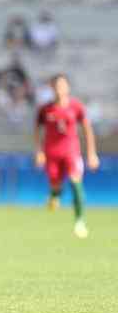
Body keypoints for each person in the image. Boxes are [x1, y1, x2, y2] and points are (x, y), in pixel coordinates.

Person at [34, 74, 100, 238]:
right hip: (52, 155)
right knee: (56, 187)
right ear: (52, 88)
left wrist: (92, 154)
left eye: (62, 86)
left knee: (76, 182)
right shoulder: (45, 109)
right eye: (56, 86)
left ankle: (79, 222)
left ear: (68, 88)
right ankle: (54, 195)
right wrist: (39, 151)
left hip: (71, 152)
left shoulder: (76, 107)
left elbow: (87, 129)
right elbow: (37, 130)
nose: (59, 89)